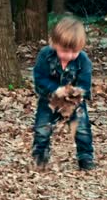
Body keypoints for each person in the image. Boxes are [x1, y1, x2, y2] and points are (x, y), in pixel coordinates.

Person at [32, 16, 95, 170]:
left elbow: (85, 83)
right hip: (49, 100)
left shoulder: (83, 60)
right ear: (54, 43)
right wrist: (55, 90)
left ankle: (86, 158)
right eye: (65, 51)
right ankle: (39, 159)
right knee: (42, 129)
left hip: (74, 102)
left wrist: (75, 93)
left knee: (82, 129)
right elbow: (39, 78)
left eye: (75, 52)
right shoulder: (45, 55)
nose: (69, 56)